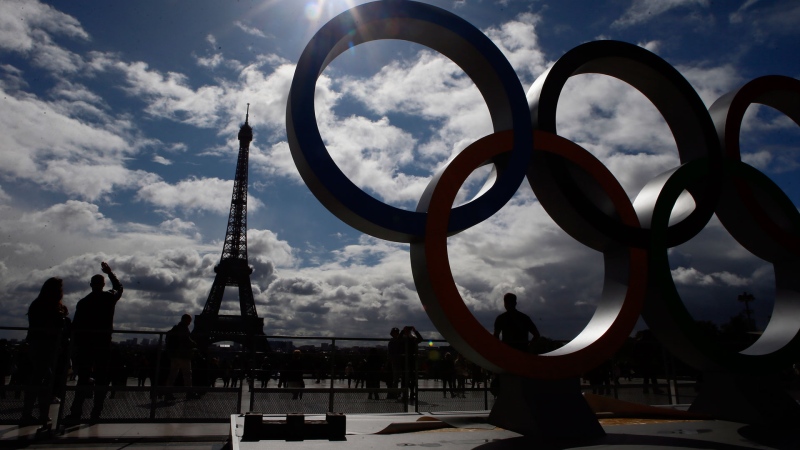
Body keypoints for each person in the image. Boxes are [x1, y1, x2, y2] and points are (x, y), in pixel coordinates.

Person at [65, 262, 123, 422]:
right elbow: (119, 288)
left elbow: (75, 327)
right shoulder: (109, 297)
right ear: (103, 284)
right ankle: (96, 413)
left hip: (86, 345)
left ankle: (76, 412)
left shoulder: (83, 303)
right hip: (103, 343)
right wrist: (110, 272)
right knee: (102, 379)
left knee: (83, 379)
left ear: (91, 285)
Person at [22, 277, 70, 425]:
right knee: (43, 380)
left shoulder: (38, 304)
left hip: (39, 344)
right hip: (46, 345)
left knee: (40, 379)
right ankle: (37, 414)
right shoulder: (52, 307)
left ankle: (33, 414)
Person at [164, 314, 197, 399]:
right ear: (186, 320)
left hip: (174, 355)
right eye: (189, 321)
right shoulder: (184, 328)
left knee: (173, 374)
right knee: (187, 375)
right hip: (183, 355)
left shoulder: (175, 328)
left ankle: (168, 393)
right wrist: (194, 344)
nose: (190, 323)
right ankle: (189, 393)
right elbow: (186, 340)